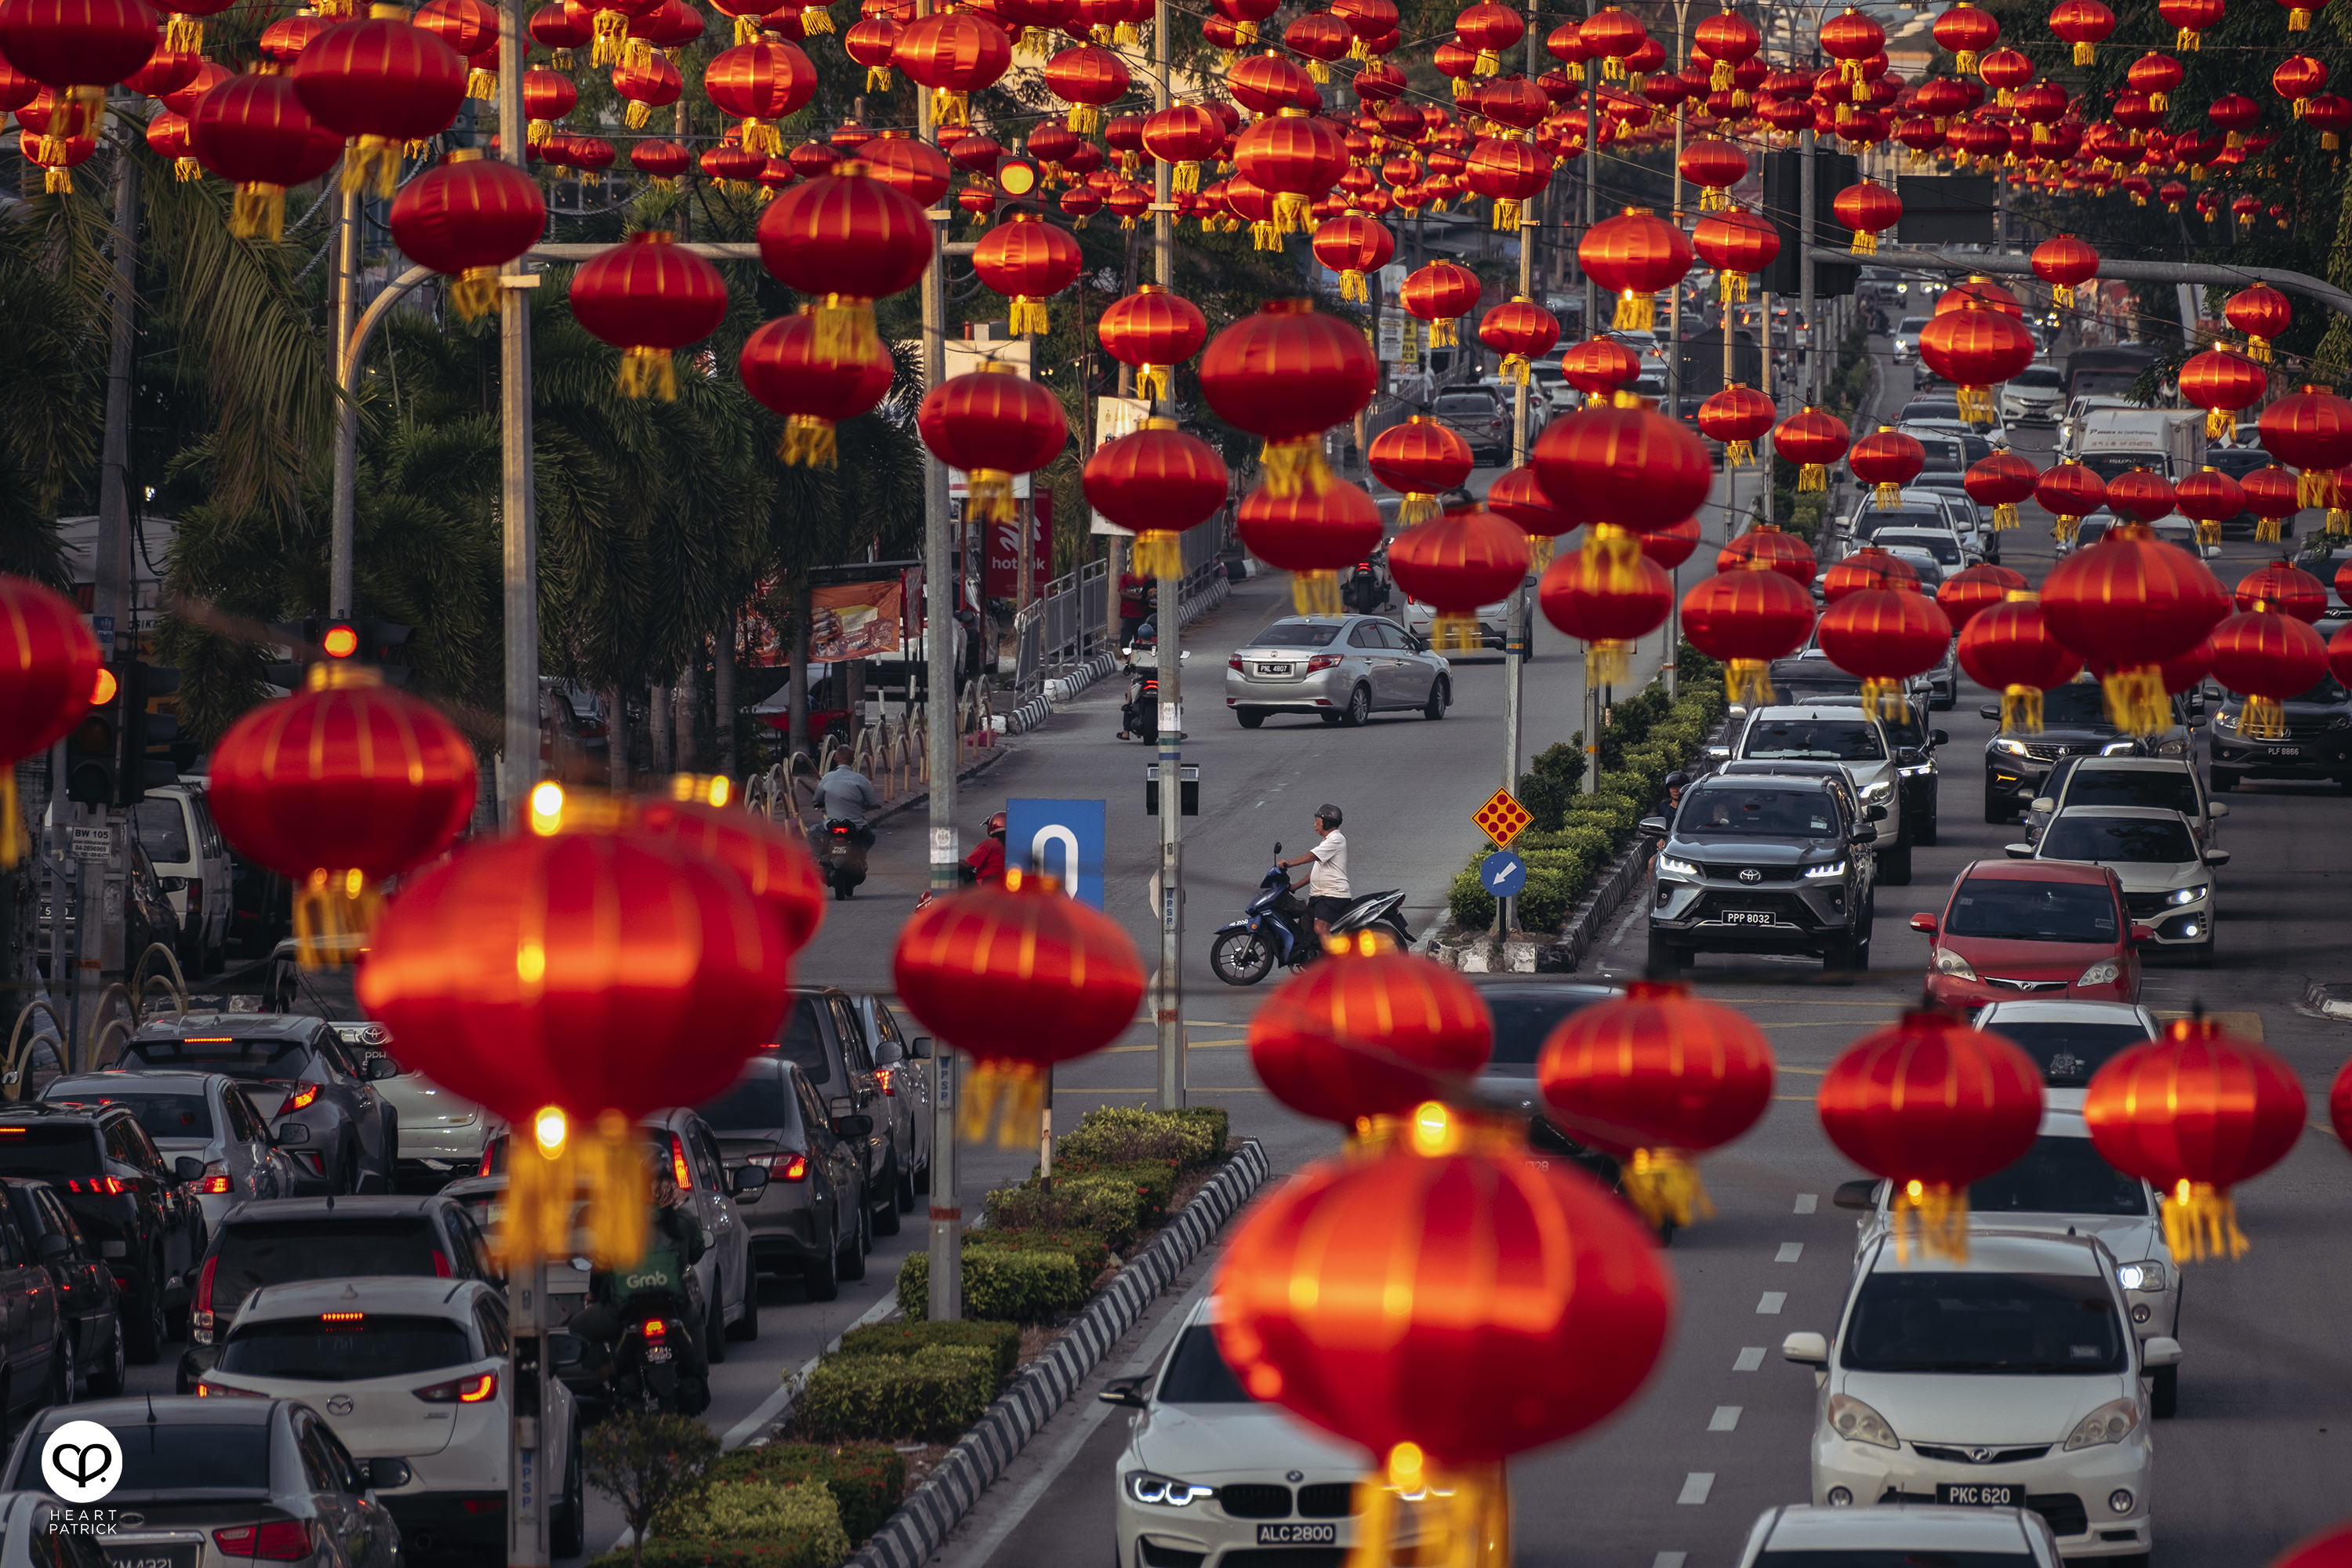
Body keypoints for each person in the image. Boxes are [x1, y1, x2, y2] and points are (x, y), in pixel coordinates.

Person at [570, 1167, 711, 1410]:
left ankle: (610, 1385)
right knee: (696, 1323)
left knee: (577, 1328)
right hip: (673, 1307)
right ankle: (701, 1381)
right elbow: (697, 1253)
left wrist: (593, 1295)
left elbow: (600, 1266)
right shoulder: (685, 1221)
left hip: (624, 1310)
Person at [1280, 804, 1349, 939]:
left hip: (1333, 896)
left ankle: (1336, 959)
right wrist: (1294, 886)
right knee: (1305, 924)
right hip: (1320, 897)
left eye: (1317, 822)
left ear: (1327, 823)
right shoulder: (1326, 842)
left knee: (1320, 928)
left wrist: (1290, 863)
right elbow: (1313, 873)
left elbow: (1312, 856)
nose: (1315, 825)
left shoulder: (1336, 839)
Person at [818, 746, 881, 848]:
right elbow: (873, 802)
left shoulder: (827, 777)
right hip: (856, 825)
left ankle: (820, 858)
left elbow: (817, 798)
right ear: (853, 760)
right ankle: (860, 857)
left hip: (831, 824)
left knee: (812, 834)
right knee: (870, 838)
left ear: (835, 759)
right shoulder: (860, 779)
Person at [963, 811, 1007, 884]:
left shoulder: (989, 844)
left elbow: (967, 865)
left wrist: (950, 863)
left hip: (987, 885)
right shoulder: (1014, 844)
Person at [1119, 571, 1151, 647]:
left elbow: (1147, 595)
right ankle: (1126, 656)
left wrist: (1129, 592)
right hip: (1127, 613)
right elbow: (1123, 594)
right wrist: (1139, 597)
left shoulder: (1146, 578)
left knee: (1141, 640)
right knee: (1124, 640)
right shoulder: (1125, 577)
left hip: (1141, 614)